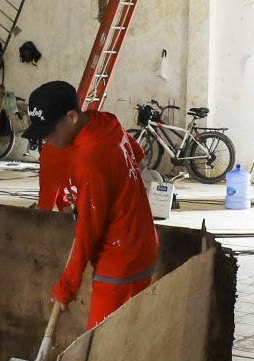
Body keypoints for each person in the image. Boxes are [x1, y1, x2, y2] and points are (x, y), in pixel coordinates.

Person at [23, 80, 159, 328]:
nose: (47, 140)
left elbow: (88, 230)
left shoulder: (90, 159)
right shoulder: (106, 122)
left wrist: (67, 286)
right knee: (126, 335)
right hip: (142, 242)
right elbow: (137, 154)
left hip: (120, 257)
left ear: (72, 117)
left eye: (50, 131)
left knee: (101, 344)